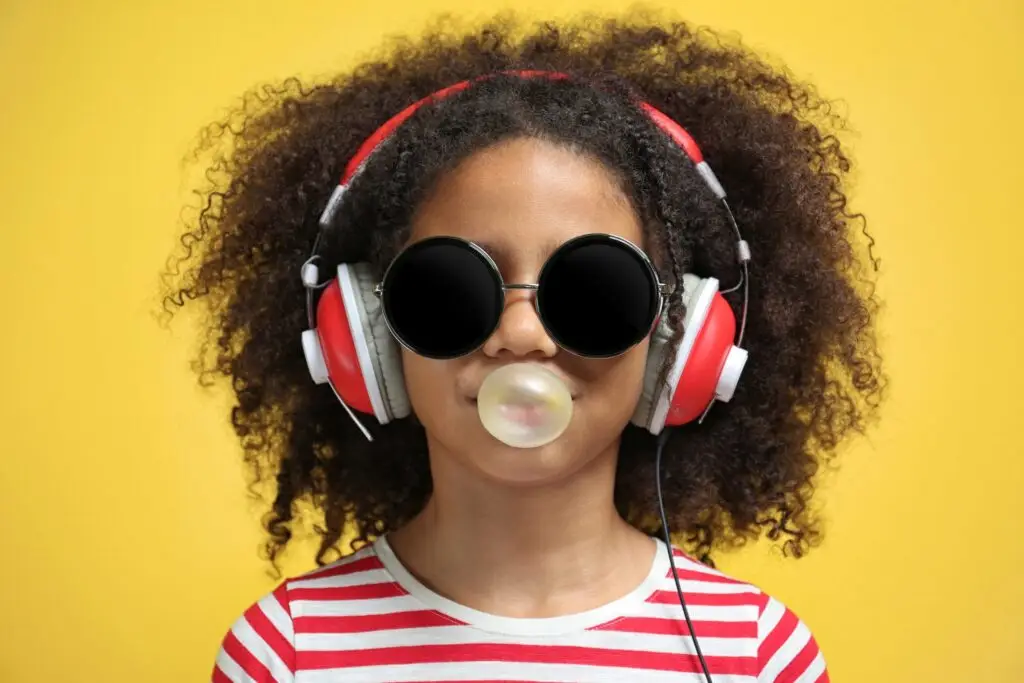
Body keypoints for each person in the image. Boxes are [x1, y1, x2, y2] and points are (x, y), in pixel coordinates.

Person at [164, 13, 883, 683]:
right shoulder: (287, 650)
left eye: (593, 292)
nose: (521, 333)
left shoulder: (756, 653)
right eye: (452, 287)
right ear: (367, 334)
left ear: (679, 344)